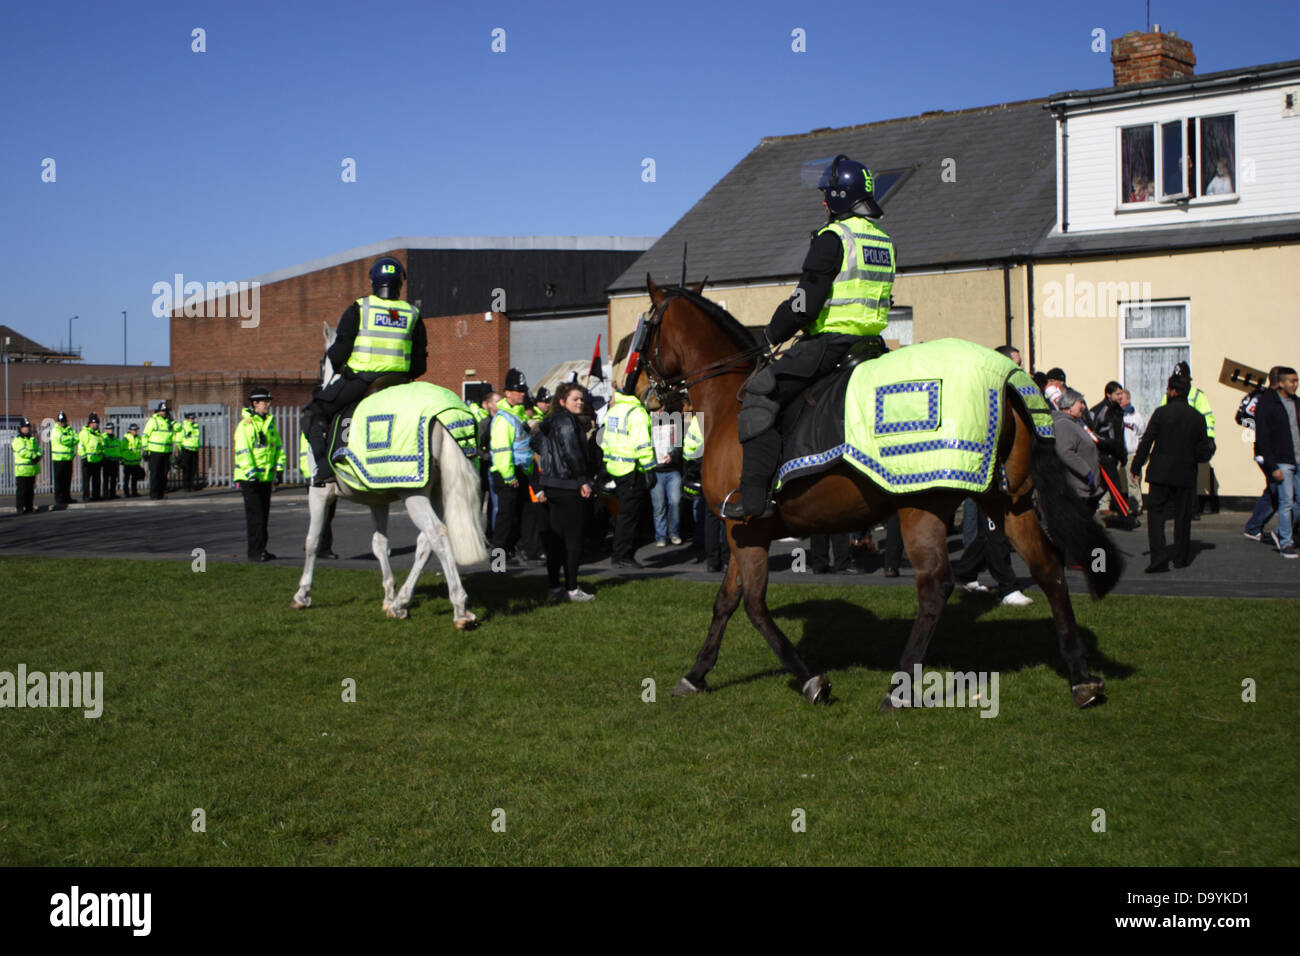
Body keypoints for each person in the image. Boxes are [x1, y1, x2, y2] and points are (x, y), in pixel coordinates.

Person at [724, 154, 894, 519]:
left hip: (831, 344)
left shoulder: (834, 238)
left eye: (826, 193)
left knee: (760, 392)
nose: (821, 200)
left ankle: (754, 497)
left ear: (839, 196)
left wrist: (772, 332)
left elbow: (804, 304)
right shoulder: (882, 241)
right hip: (873, 346)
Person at [301, 256, 427, 483]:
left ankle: (324, 469)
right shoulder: (413, 314)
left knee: (313, 413)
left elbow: (339, 352)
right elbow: (420, 363)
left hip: (362, 382)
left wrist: (341, 365)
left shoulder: (360, 308)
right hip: (400, 383)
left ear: (373, 282)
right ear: (400, 283)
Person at [1131, 375, 1214, 571]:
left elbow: (1147, 441)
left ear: (1173, 391)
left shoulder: (1161, 413)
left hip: (1160, 472)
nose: (1167, 393)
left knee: (1156, 516)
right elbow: (1203, 452)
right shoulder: (1197, 417)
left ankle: (1159, 557)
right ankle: (1181, 557)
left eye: (1168, 390)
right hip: (1185, 473)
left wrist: (1136, 466)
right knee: (1183, 517)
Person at [534, 382, 597, 602]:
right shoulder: (567, 421)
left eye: (581, 399)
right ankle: (571, 588)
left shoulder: (550, 421)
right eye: (575, 399)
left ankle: (554, 587)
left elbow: (536, 440)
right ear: (562, 401)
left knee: (556, 540)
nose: (580, 402)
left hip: (552, 485)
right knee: (573, 540)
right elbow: (572, 451)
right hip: (569, 485)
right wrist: (582, 480)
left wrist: (551, 456)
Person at [600, 387, 656, 567]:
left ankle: (620, 554)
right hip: (632, 470)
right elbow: (643, 444)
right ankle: (622, 556)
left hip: (616, 468)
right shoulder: (637, 412)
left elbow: (606, 441)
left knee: (624, 514)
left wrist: (606, 466)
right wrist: (650, 468)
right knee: (629, 516)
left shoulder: (614, 411)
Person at [1252, 366, 1300, 558]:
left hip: (1298, 460)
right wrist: (1272, 466)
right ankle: (1286, 543)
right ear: (1281, 383)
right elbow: (1263, 437)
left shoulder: (1297, 403)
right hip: (1282, 461)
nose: (1295, 385)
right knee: (1286, 502)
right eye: (1292, 381)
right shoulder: (1268, 403)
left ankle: (1281, 532)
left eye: (1297, 381)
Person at [489, 369, 536, 563]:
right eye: (518, 390)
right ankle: (497, 562)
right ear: (507, 393)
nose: (522, 393)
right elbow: (501, 452)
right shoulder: (503, 419)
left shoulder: (517, 415)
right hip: (508, 474)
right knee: (505, 519)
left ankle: (512, 553)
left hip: (520, 472)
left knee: (520, 516)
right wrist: (509, 477)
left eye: (523, 389)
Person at [233, 386, 285, 562]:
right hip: (251, 479)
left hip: (265, 478)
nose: (268, 405)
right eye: (265, 401)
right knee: (255, 517)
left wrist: (279, 469)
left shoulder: (269, 424)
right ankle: (254, 552)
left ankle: (262, 549)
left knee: (264, 515)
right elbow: (243, 450)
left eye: (268, 401)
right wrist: (251, 473)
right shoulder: (246, 425)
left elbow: (277, 447)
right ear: (255, 403)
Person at [1160, 361, 1216, 514]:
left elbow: (1207, 417)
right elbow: (1162, 415)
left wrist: (1209, 438)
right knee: (1172, 476)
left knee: (1189, 475)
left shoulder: (1197, 394)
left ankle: (1190, 509)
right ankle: (1173, 508)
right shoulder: (1169, 394)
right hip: (1173, 441)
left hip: (1190, 441)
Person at [953, 504, 1033, 606]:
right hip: (988, 491)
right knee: (994, 529)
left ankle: (964, 573)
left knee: (986, 533)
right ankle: (1008, 587)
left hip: (993, 491)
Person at [1238, 368, 1280, 542]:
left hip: (1273, 451)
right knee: (1279, 488)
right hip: (1266, 451)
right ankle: (1282, 531)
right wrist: (1261, 426)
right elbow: (1240, 417)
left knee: (1275, 489)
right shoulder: (1260, 397)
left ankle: (1254, 527)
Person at [1051, 388, 1101, 512]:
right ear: (1070, 406)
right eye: (1080, 403)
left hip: (1085, 488)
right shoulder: (1063, 424)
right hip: (1076, 488)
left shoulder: (1075, 423)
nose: (1084, 406)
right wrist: (1086, 471)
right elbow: (1065, 452)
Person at [648, 393, 684, 547]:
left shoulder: (674, 422)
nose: (659, 411)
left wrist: (673, 454)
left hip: (672, 470)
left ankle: (674, 533)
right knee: (659, 507)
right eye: (655, 408)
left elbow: (679, 444)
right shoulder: (647, 424)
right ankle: (661, 536)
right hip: (656, 471)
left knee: (675, 502)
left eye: (660, 407)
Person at [142, 401, 174, 499]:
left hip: (166, 452)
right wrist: (145, 449)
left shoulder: (168, 422)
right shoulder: (153, 421)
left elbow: (172, 435)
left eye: (165, 411)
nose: (164, 412)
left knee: (164, 474)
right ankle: (154, 494)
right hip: (155, 452)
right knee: (155, 474)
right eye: (162, 411)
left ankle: (161, 493)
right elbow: (145, 435)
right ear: (158, 411)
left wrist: (173, 421)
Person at [10, 418, 40, 514]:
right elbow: (22, 452)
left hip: (31, 469)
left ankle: (29, 507)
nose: (27, 429)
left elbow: (37, 449)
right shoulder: (17, 440)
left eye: (28, 427)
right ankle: (20, 508)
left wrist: (38, 455)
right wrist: (33, 456)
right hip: (22, 469)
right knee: (21, 490)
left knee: (30, 490)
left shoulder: (31, 439)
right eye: (25, 427)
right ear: (20, 428)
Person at [77, 413, 105, 502]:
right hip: (88, 460)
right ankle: (86, 496)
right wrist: (84, 456)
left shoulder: (98, 434)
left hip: (97, 460)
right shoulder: (84, 433)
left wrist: (102, 456)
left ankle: (96, 495)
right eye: (94, 423)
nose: (96, 425)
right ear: (90, 423)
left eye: (97, 423)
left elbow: (101, 446)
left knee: (96, 479)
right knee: (86, 480)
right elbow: (81, 445)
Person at [178, 411, 202, 490]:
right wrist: (180, 449)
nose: (192, 419)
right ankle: (186, 486)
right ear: (187, 419)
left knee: (193, 469)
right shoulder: (184, 426)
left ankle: (191, 484)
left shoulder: (196, 426)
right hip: (186, 450)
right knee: (186, 469)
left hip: (194, 449)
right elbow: (179, 439)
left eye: (193, 418)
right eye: (191, 418)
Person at [121, 423, 144, 497]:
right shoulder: (126, 439)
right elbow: (122, 449)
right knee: (126, 479)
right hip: (127, 462)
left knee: (134, 479)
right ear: (130, 430)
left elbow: (139, 449)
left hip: (135, 462)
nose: (135, 431)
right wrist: (122, 459)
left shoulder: (138, 438)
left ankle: (134, 492)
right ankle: (126, 493)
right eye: (133, 430)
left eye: (136, 430)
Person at [101, 421, 121, 498]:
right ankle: (105, 493)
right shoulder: (104, 438)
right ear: (106, 429)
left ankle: (113, 493)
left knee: (113, 478)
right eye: (109, 429)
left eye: (112, 429)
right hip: (107, 459)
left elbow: (118, 449)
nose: (110, 430)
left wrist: (119, 456)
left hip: (114, 460)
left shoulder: (116, 439)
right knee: (106, 478)